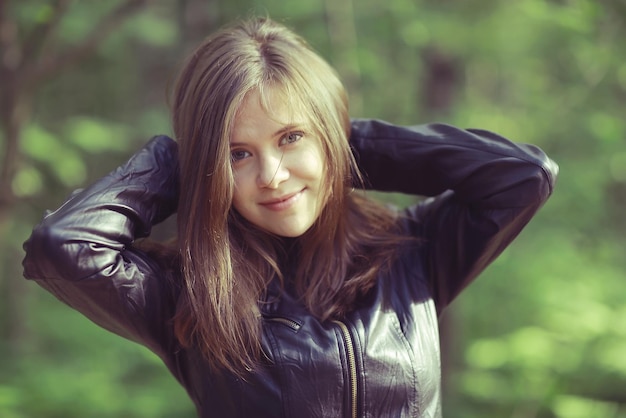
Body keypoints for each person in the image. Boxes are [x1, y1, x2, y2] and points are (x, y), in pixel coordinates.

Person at [22, 17, 558, 418]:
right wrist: (178, 161)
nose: (273, 175)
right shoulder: (187, 289)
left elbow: (523, 175)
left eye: (291, 137)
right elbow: (62, 246)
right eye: (238, 153)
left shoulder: (413, 247)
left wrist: (346, 144)